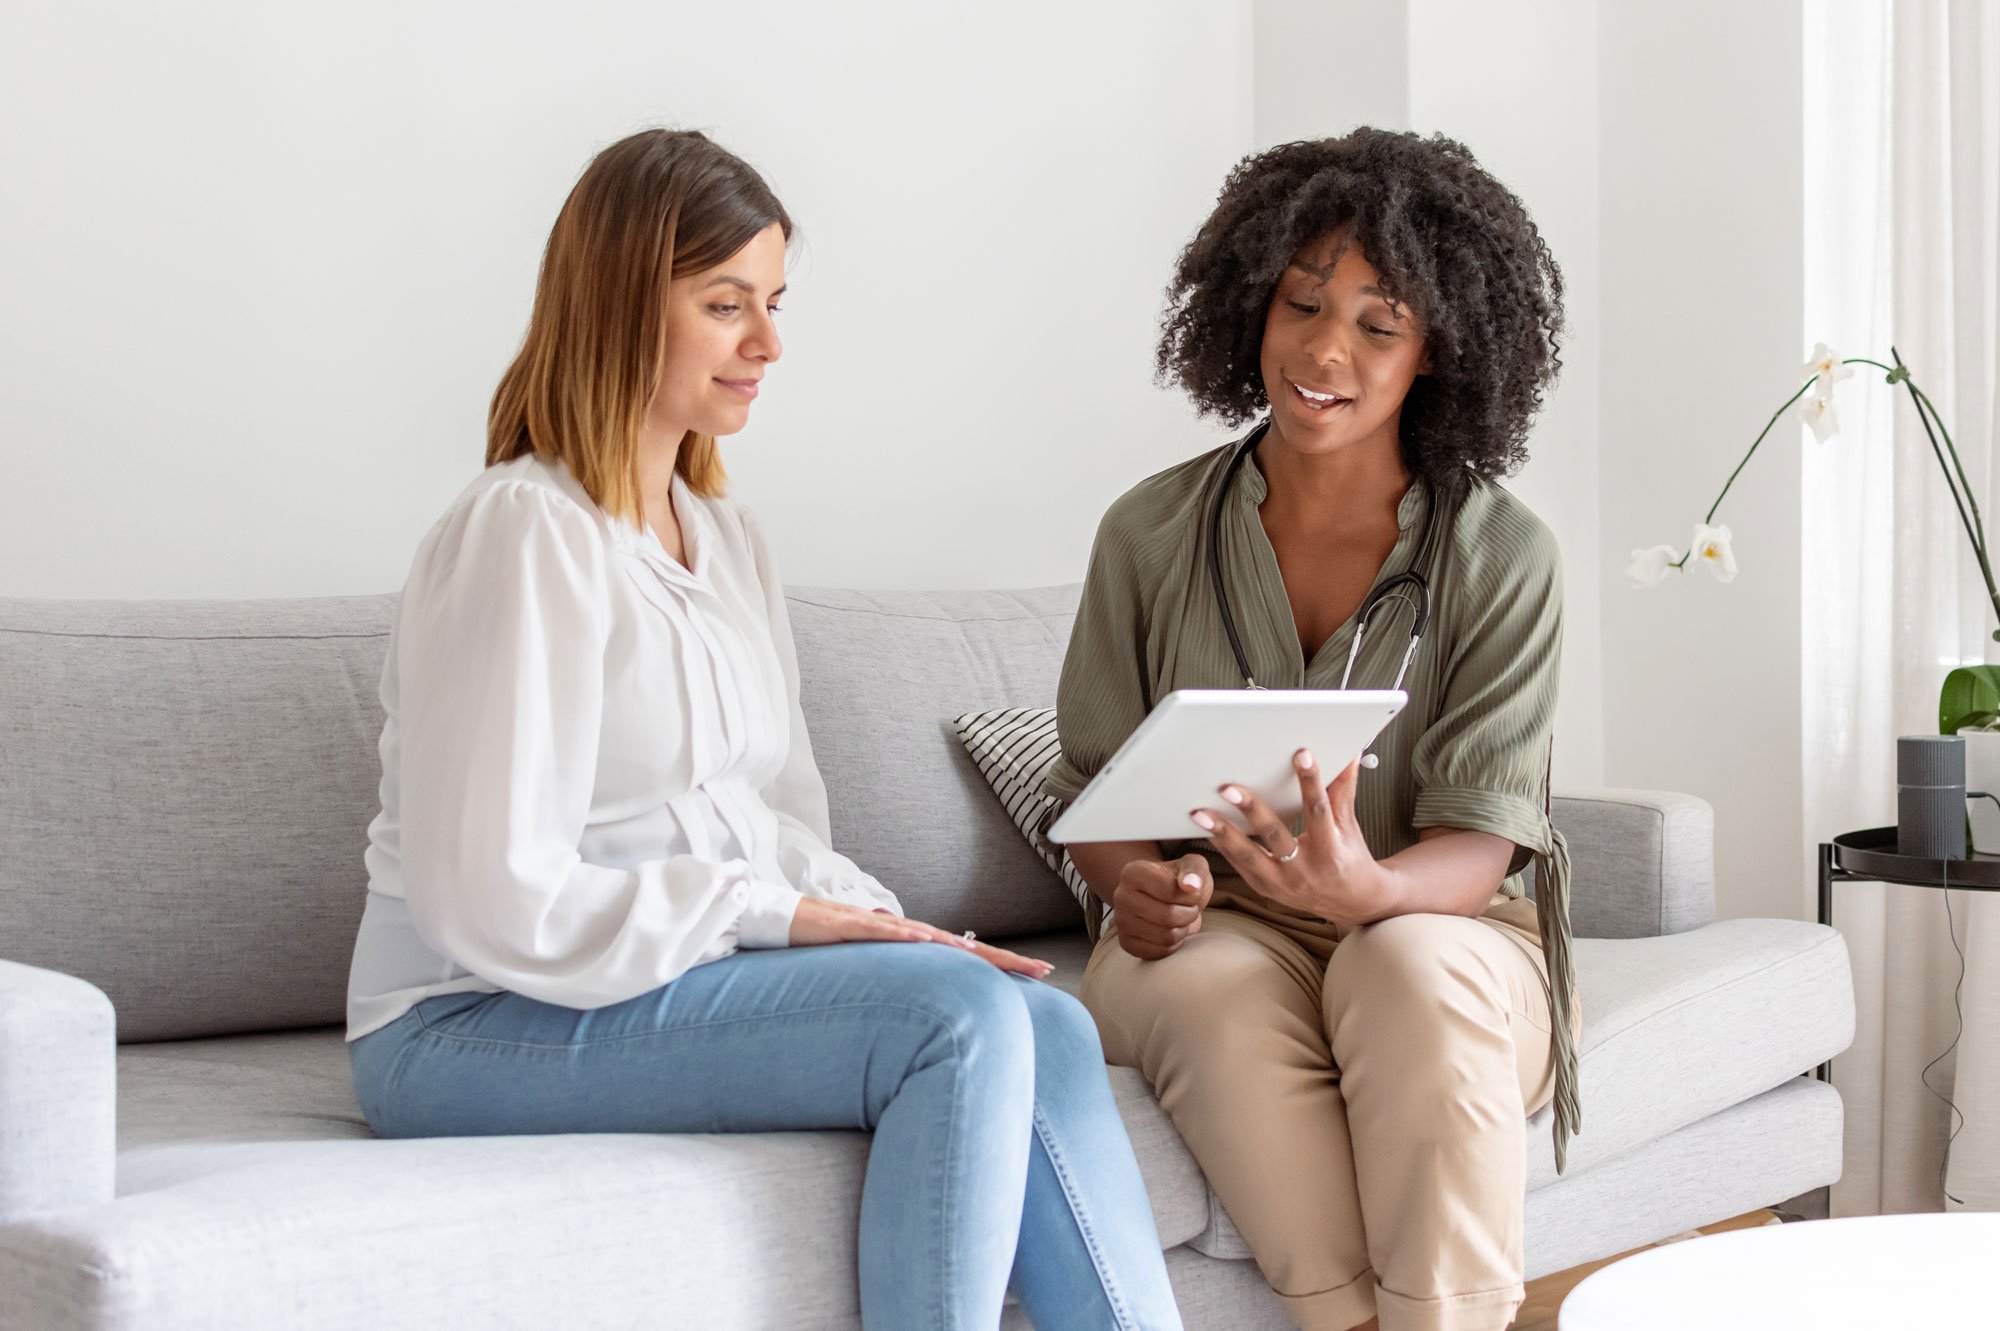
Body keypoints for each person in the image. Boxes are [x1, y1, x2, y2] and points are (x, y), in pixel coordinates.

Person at [345, 128, 1184, 1331]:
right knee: (946, 1021)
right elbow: (486, 891)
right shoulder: (525, 532)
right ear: (621, 305)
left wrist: (891, 926)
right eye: (725, 303)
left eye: (774, 303)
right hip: (465, 1020)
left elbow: (780, 820)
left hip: (659, 976)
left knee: (1037, 1008)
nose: (767, 345)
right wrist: (777, 918)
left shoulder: (727, 542)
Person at [1045, 127, 1576, 1331]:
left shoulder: (1502, 556)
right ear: (1250, 309)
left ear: (1434, 350)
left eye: (1376, 325)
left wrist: (1368, 891)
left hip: (1448, 938)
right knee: (1202, 987)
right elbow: (1094, 793)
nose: (1324, 349)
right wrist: (1136, 890)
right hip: (1223, 936)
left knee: (1404, 963)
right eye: (1299, 304)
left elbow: (1478, 848)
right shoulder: (1148, 532)